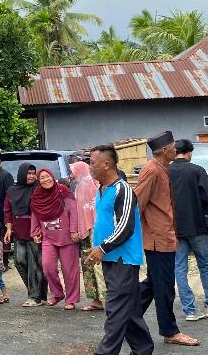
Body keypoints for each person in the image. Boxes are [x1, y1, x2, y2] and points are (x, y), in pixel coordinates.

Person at [84, 145, 153, 355]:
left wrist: (102, 248)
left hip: (123, 259)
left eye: (92, 163)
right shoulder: (102, 189)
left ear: (106, 164)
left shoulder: (123, 189)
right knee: (129, 310)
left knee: (115, 309)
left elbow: (126, 227)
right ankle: (143, 349)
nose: (89, 167)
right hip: (110, 258)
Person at [134, 131, 198, 346]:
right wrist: (133, 236)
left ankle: (125, 318)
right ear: (163, 150)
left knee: (153, 284)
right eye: (172, 146)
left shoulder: (164, 168)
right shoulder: (151, 170)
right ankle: (170, 332)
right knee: (164, 287)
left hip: (166, 236)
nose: (175, 149)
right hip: (156, 239)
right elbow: (137, 205)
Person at [169, 139, 208, 321]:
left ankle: (190, 310)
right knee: (205, 265)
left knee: (180, 267)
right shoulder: (197, 170)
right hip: (196, 225)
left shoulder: (167, 171)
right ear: (189, 152)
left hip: (175, 227)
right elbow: (207, 196)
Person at [30, 168, 80, 310]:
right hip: (48, 236)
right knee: (47, 267)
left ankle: (71, 299)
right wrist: (34, 231)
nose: (46, 180)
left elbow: (73, 211)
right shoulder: (37, 195)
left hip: (67, 236)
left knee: (70, 270)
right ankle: (57, 294)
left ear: (52, 177)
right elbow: (35, 213)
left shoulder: (63, 191)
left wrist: (74, 230)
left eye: (48, 177)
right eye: (42, 178)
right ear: (39, 181)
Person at [4, 163, 47, 307]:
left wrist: (41, 229)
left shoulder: (38, 189)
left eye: (33, 173)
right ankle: (38, 293)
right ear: (22, 174)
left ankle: (35, 297)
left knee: (35, 264)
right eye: (28, 173)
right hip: (18, 230)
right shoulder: (12, 190)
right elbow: (7, 211)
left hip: (35, 231)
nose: (31, 176)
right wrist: (9, 229)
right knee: (19, 261)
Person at [71, 161, 104, 312]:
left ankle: (104, 299)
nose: (71, 174)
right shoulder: (79, 186)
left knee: (95, 264)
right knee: (88, 264)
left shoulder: (89, 185)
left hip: (94, 231)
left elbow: (93, 209)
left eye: (73, 170)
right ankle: (97, 300)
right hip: (87, 230)